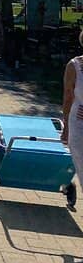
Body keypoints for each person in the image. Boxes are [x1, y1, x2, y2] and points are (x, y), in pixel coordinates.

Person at [61, 34, 83, 190]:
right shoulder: (74, 66)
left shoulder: (74, 65)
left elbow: (69, 97)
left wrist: (66, 128)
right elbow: (68, 97)